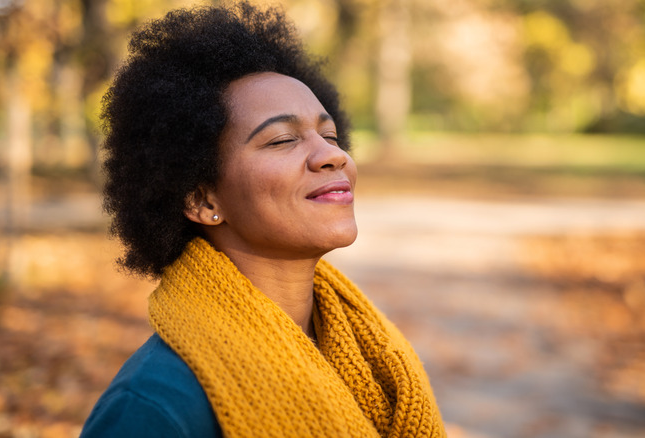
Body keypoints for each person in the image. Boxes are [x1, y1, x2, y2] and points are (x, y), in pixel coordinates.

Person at [79, 2, 445, 437]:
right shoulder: (156, 408)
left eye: (329, 135)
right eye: (283, 139)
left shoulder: (373, 355)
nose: (333, 155)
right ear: (201, 199)